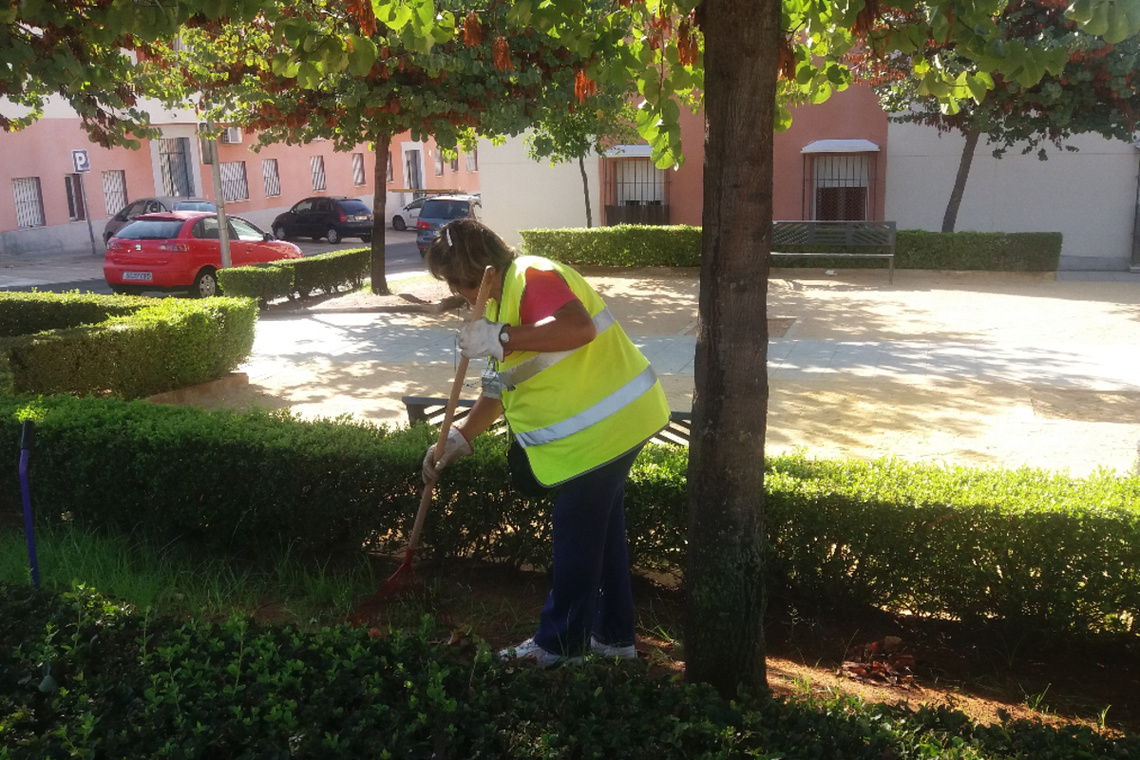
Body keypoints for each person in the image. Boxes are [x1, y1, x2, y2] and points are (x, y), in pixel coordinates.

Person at [421, 218, 670, 666]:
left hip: (607, 429)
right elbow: (499, 389)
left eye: (459, 280)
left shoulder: (532, 275)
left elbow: (579, 329)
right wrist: (458, 437)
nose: (459, 292)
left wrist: (501, 337)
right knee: (602, 532)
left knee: (576, 528)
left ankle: (559, 644)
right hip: (614, 427)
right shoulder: (498, 307)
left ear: (482, 269)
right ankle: (614, 638)